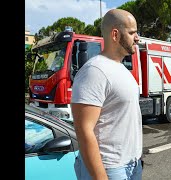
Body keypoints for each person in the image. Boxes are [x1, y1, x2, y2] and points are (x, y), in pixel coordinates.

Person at [71, 9, 143, 180]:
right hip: (110, 169)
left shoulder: (121, 69)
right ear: (115, 34)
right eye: (132, 32)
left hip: (131, 165)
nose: (137, 37)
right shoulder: (94, 71)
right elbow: (83, 130)